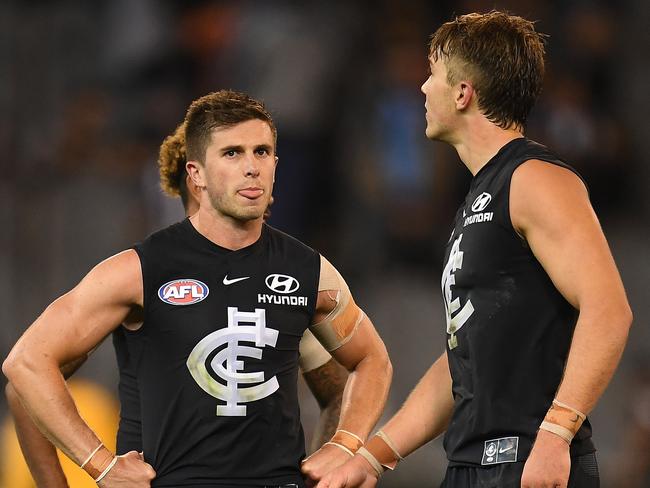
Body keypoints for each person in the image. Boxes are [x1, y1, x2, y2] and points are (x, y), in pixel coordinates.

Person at [3, 90, 392, 488]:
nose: (251, 167)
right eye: (232, 153)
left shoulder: (307, 271)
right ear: (196, 176)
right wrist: (100, 466)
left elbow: (365, 365)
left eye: (261, 152)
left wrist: (344, 448)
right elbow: (27, 367)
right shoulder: (138, 270)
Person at [316, 10, 632, 488]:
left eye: (434, 74)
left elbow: (608, 310)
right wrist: (372, 458)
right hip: (471, 466)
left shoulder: (535, 179)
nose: (422, 88)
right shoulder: (480, 198)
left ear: (463, 93)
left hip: (524, 461)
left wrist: (555, 435)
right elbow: (465, 359)